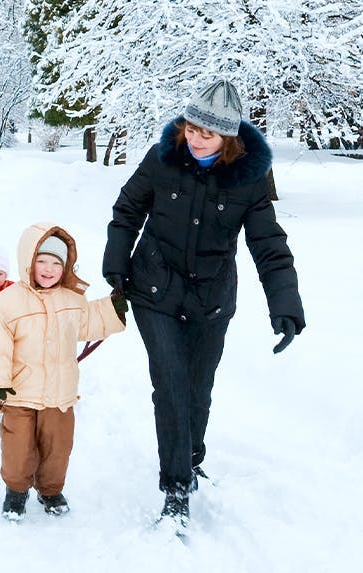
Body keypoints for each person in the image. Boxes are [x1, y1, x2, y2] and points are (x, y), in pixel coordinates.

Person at [102, 79, 306, 530]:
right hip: (154, 289)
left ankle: (190, 456)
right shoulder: (162, 159)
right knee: (171, 385)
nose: (194, 138)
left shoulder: (249, 179)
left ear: (229, 138)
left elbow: (269, 243)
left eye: (206, 134)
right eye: (191, 127)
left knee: (198, 389)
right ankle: (176, 490)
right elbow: (127, 210)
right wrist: (116, 263)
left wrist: (285, 305)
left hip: (212, 299)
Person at [0, 223, 127, 521]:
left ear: (66, 266)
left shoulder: (72, 300)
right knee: (18, 450)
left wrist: (113, 309)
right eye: (41, 261)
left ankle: (50, 490)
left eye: (56, 263)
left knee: (58, 449)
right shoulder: (7, 303)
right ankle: (16, 492)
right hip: (20, 395)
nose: (48, 269)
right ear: (28, 262)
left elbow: (88, 322)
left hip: (60, 396)